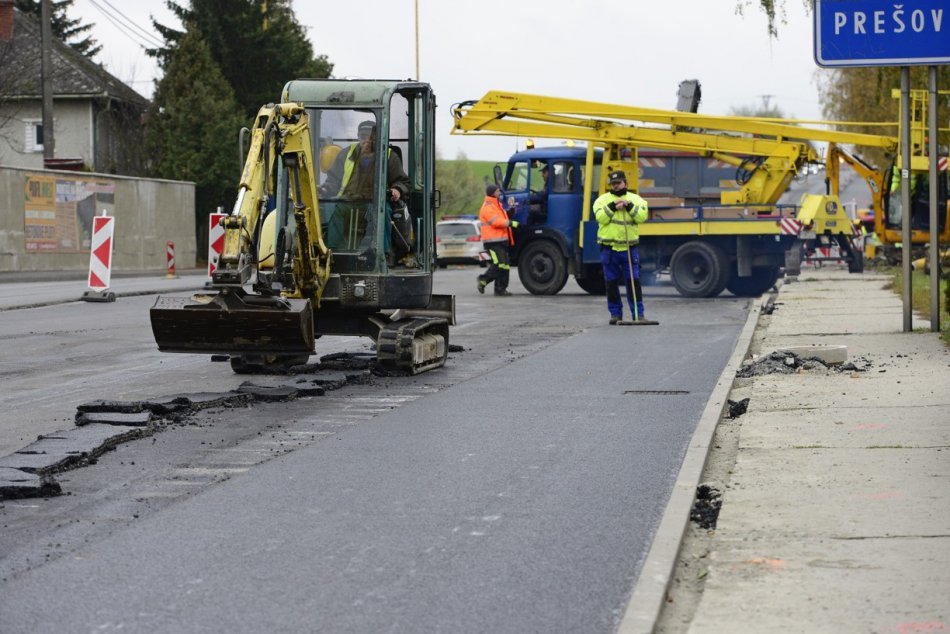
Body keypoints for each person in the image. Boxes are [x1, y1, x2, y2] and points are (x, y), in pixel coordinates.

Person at [320, 120, 411, 255]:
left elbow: (402, 181)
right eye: (363, 136)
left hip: (375, 202)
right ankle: (332, 252)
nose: (367, 140)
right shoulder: (346, 154)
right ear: (358, 136)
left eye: (372, 137)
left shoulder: (389, 155)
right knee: (332, 209)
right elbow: (333, 180)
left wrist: (397, 189)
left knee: (382, 212)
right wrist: (325, 189)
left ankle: (382, 254)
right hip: (348, 200)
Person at [593, 170, 649, 324]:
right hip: (609, 249)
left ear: (625, 183)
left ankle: (638, 314)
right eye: (613, 184)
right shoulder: (602, 200)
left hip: (629, 249)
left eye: (618, 183)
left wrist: (629, 206)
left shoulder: (636, 199)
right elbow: (600, 218)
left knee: (633, 281)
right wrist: (613, 207)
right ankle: (615, 314)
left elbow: (642, 217)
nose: (616, 186)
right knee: (611, 283)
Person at [477, 184, 519, 296]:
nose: (499, 193)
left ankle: (500, 289)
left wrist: (511, 211)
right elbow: (496, 222)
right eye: (497, 191)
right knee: (499, 264)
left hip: (501, 241)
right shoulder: (487, 207)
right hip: (492, 242)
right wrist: (510, 223)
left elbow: (502, 217)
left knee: (505, 265)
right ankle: (483, 280)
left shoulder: (497, 205)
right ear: (492, 193)